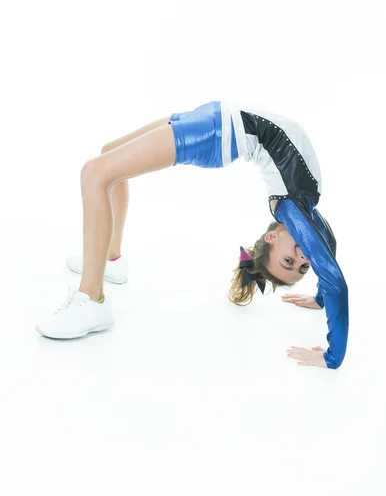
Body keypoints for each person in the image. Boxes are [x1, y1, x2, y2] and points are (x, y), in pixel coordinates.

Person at [35, 100, 349, 369]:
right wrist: (321, 299)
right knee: (109, 155)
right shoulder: (302, 210)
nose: (303, 257)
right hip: (215, 117)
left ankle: (92, 299)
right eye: (301, 265)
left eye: (290, 263)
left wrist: (331, 358)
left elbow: (328, 263)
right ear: (272, 239)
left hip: (217, 133)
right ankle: (111, 260)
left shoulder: (291, 211)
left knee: (95, 172)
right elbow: (329, 260)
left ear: (271, 238)